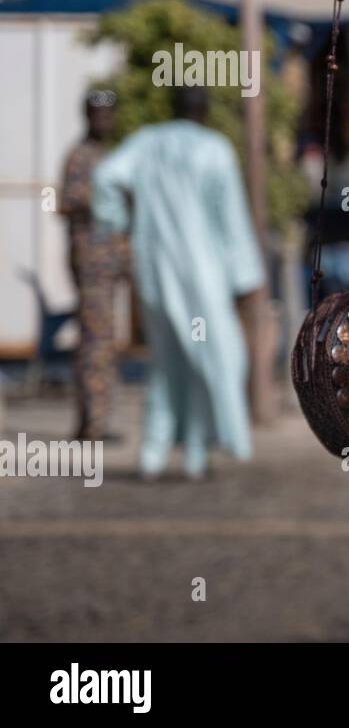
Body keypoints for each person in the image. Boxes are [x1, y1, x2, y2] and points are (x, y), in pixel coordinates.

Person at [93, 87, 264, 478]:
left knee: (168, 362)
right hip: (203, 274)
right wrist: (245, 275)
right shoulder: (214, 148)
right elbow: (231, 216)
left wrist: (115, 222)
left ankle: (155, 453)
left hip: (154, 271)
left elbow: (105, 176)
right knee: (211, 354)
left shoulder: (147, 142)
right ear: (203, 112)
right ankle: (197, 453)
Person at [60, 90, 130, 440]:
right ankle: (94, 423)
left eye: (109, 114)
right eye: (98, 114)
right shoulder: (81, 156)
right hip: (92, 264)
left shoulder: (111, 155)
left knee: (101, 339)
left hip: (110, 263)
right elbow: (67, 202)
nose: (105, 121)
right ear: (87, 116)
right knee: (96, 341)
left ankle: (93, 421)